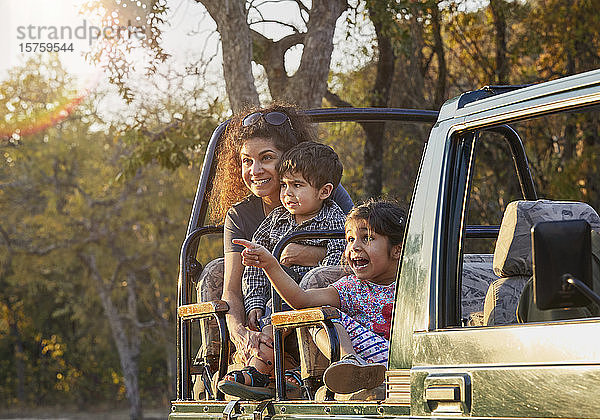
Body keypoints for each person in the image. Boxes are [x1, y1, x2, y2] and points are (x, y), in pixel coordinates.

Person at [195, 103, 353, 383]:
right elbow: (233, 286)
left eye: (266, 158)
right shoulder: (243, 215)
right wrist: (242, 332)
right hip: (265, 312)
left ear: (289, 157)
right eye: (246, 160)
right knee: (215, 271)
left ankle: (316, 368)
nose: (255, 170)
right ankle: (246, 363)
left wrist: (299, 255)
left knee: (316, 278)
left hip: (311, 306)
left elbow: (352, 256)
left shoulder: (325, 194)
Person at [232, 199, 407, 395]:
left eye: (367, 238)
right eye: (350, 240)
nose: (354, 247)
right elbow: (301, 299)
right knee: (317, 315)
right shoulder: (350, 287)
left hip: (405, 359)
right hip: (369, 363)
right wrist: (270, 265)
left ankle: (354, 366)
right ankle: (350, 362)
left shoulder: (416, 284)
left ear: (397, 249)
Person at [216, 141, 347, 399]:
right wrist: (253, 303)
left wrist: (310, 260)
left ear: (324, 191)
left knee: (291, 302)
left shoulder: (335, 219)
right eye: (285, 185)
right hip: (274, 297)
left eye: (297, 186)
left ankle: (261, 369)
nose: (287, 193)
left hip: (311, 295)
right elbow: (255, 261)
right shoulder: (276, 220)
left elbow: (341, 261)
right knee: (269, 312)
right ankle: (270, 370)